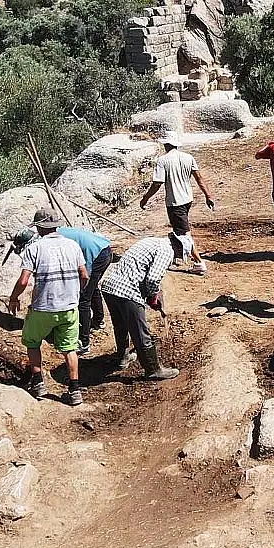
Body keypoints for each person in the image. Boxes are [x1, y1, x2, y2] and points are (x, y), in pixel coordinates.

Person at [7, 209, 89, 406]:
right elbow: (84, 275)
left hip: (43, 308)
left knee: (32, 342)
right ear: (56, 225)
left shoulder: (34, 248)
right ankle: (75, 390)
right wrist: (75, 293)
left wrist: (13, 298)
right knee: (70, 348)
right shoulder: (73, 245)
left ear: (38, 227)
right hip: (69, 308)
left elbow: (24, 280)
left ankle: (38, 384)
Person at [11, 218, 112, 357]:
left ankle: (83, 342)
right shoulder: (54, 234)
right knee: (92, 289)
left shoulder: (51, 241)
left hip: (95, 253)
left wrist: (74, 291)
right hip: (103, 249)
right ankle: (98, 321)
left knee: (83, 298)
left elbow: (83, 275)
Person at [98, 234, 183, 381]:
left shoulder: (151, 240)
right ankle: (153, 369)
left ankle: (123, 357)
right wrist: (153, 296)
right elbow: (153, 278)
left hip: (110, 286)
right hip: (127, 291)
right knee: (140, 332)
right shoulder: (167, 250)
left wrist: (151, 296)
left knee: (121, 325)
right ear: (179, 248)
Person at [140, 134, 214, 274]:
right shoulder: (188, 157)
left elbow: (157, 184)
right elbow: (199, 178)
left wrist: (145, 198)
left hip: (175, 202)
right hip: (187, 199)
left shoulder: (162, 161)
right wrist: (208, 195)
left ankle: (199, 263)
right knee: (180, 230)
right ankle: (178, 254)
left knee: (184, 234)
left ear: (166, 145)